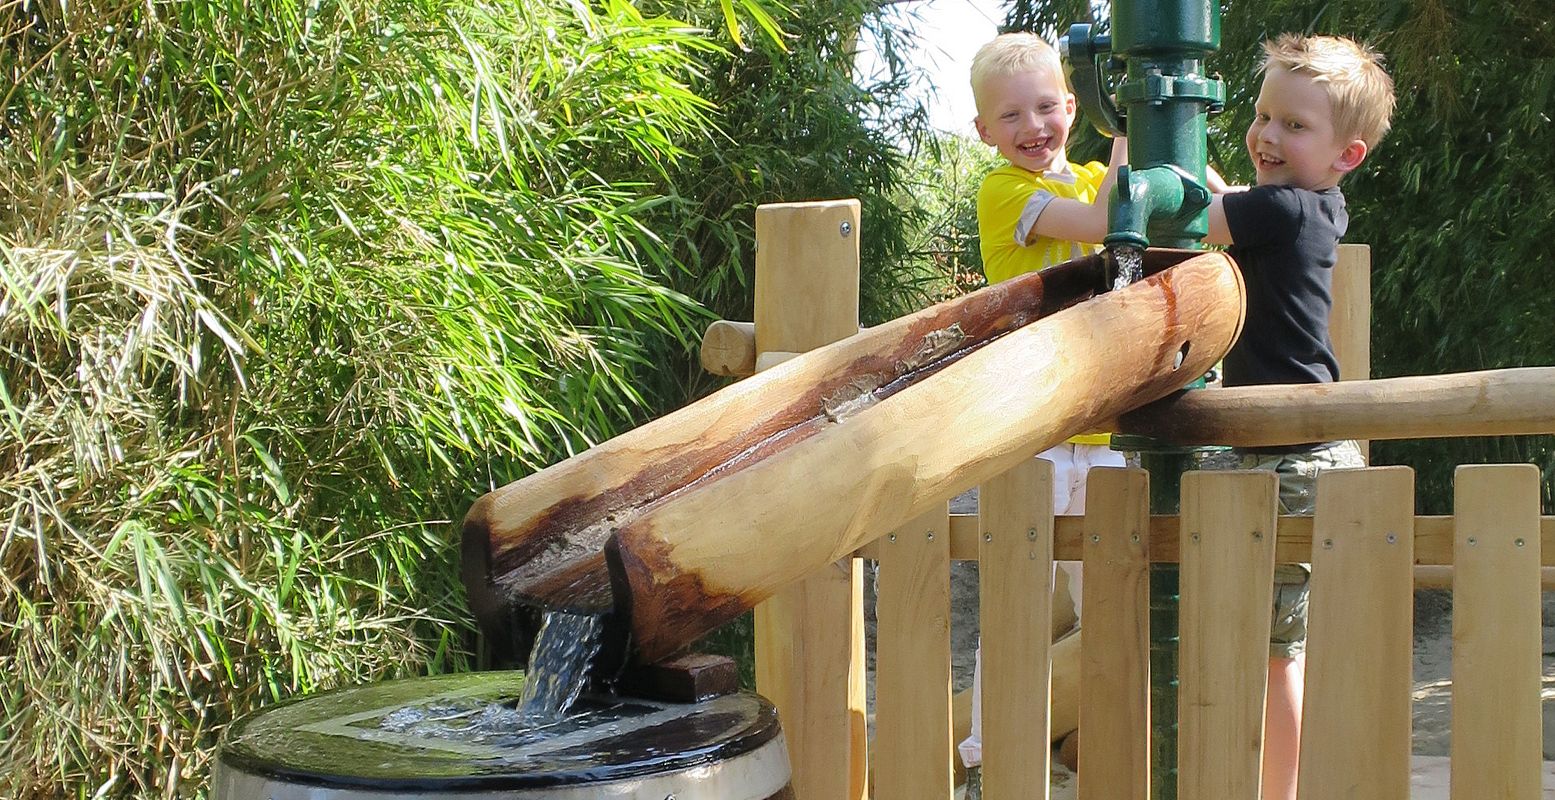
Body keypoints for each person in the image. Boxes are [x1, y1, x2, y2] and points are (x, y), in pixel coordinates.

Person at [1199, 33, 1396, 800]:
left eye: (1293, 125)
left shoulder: (1281, 210)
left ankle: (1277, 791)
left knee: (1277, 649)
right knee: (1276, 642)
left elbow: (1199, 214)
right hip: (1284, 449)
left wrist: (1126, 170)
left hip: (1289, 456)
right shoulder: (1306, 207)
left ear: (1346, 154)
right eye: (1261, 115)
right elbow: (1232, 204)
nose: (1266, 135)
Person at [957, 30, 1128, 784]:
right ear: (983, 132)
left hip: (1103, 422)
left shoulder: (1093, 172)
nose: (1032, 128)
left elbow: (1164, 195)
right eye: (1010, 116)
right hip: (1034, 426)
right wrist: (1130, 131)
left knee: (1114, 599)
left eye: (1045, 107)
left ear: (1070, 106)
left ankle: (1111, 736)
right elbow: (1103, 227)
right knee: (1019, 602)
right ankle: (990, 753)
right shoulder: (1006, 193)